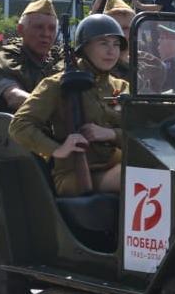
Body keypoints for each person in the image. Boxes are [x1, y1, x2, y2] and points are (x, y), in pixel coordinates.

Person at [9, 14, 128, 196]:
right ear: (84, 48)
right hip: (75, 174)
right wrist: (57, 150)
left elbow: (142, 131)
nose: (111, 51)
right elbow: (19, 126)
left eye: (116, 44)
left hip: (115, 163)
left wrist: (111, 134)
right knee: (133, 178)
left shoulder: (121, 87)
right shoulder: (59, 84)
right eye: (103, 43)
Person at [0, 0, 60, 112]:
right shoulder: (7, 60)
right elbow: (14, 97)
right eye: (39, 27)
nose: (46, 34)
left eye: (52, 29)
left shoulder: (59, 59)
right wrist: (56, 108)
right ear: (21, 30)